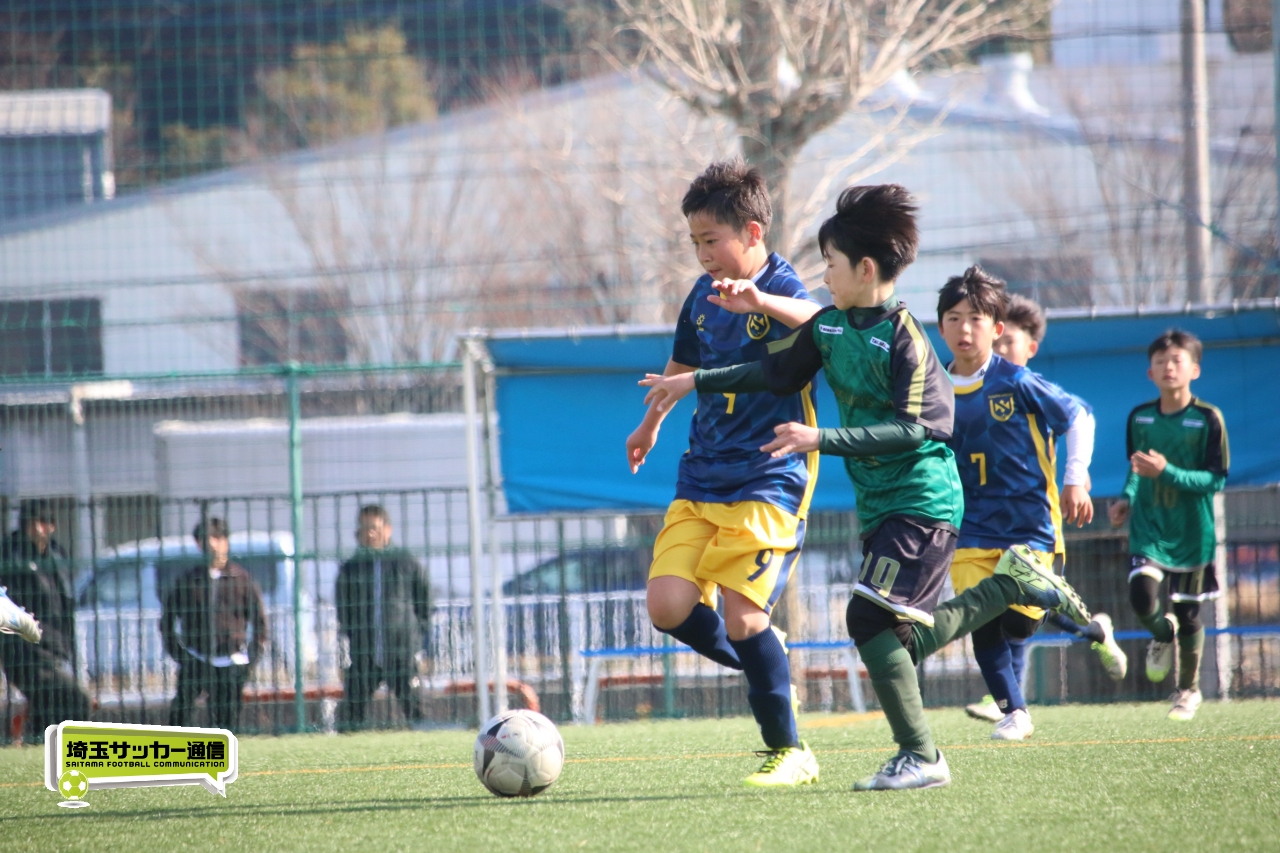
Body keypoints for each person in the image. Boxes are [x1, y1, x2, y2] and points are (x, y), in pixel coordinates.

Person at [641, 184, 1091, 790]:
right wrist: (694, 382)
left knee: (869, 622)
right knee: (894, 633)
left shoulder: (906, 338)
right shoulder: (832, 327)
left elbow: (920, 428)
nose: (823, 276)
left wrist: (819, 438)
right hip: (880, 502)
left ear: (866, 269)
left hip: (924, 498)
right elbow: (774, 371)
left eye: (830, 264)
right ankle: (1008, 588)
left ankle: (922, 756)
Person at [626, 159, 824, 786]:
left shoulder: (782, 285)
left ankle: (790, 751)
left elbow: (823, 327)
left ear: (753, 232)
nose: (703, 254)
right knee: (667, 606)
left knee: (742, 615)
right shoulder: (701, 295)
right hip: (703, 471)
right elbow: (680, 367)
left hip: (770, 473)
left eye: (711, 240)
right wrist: (650, 424)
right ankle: (766, 661)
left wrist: (761, 301)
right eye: (695, 243)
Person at [938, 269, 1109, 741]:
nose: (965, 328)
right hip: (968, 527)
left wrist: (1074, 478)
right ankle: (1015, 712)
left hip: (1029, 526)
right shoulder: (930, 388)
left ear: (996, 328)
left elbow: (1078, 417)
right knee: (981, 620)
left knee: (1017, 622)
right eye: (954, 318)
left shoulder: (1016, 380)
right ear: (941, 327)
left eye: (976, 318)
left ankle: (1061, 609)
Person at [1109, 330, 1228, 721]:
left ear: (1195, 369)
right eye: (1160, 362)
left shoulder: (1208, 418)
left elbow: (1215, 480)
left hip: (1192, 533)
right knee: (1142, 599)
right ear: (1150, 372)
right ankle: (1162, 634)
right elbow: (1137, 469)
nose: (1168, 367)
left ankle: (1187, 691)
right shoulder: (1139, 417)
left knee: (1188, 613)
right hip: (1149, 527)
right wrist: (1126, 499)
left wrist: (1168, 471)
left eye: (1177, 360)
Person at [161, 518, 266, 731]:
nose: (212, 544)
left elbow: (260, 624)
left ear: (226, 541)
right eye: (205, 539)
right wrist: (182, 656)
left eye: (217, 538)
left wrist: (250, 659)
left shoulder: (242, 579)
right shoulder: (188, 581)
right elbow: (167, 622)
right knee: (180, 718)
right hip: (196, 658)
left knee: (225, 724)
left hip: (231, 661)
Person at [334, 505, 432, 729]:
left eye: (374, 528)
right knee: (352, 713)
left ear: (387, 530)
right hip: (365, 652)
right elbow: (343, 607)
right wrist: (354, 634)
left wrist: (415, 636)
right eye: (364, 528)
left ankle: (425, 739)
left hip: (401, 650)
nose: (370, 534)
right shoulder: (351, 568)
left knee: (417, 710)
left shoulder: (406, 562)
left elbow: (424, 603)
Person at [0, 500, 90, 741]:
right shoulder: (11, 555)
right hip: (25, 652)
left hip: (56, 649)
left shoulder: (56, 555)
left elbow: (65, 604)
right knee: (76, 699)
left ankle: (38, 742)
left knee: (48, 707)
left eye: (44, 522)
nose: (39, 529)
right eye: (33, 523)